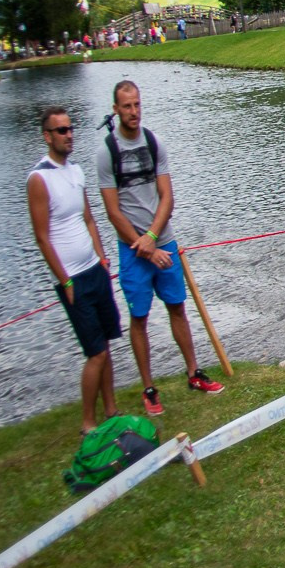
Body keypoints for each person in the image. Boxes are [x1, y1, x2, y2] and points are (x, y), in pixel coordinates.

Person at [92, 81, 223, 417]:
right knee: (139, 317)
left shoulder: (154, 143)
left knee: (177, 307)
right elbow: (112, 212)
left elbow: (168, 197)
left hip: (163, 240)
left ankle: (194, 373)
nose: (133, 112)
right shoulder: (107, 152)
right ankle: (149, 388)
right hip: (133, 251)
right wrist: (144, 247)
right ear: (115, 109)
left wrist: (153, 236)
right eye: (126, 107)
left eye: (137, 105)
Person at [29, 106, 120, 435]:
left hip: (94, 269)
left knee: (107, 342)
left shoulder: (76, 171)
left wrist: (102, 256)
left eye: (70, 129)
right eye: (61, 131)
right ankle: (87, 421)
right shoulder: (39, 179)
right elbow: (41, 237)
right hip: (72, 278)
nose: (69, 135)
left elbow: (89, 218)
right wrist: (64, 280)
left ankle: (111, 409)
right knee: (94, 352)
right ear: (47, 136)